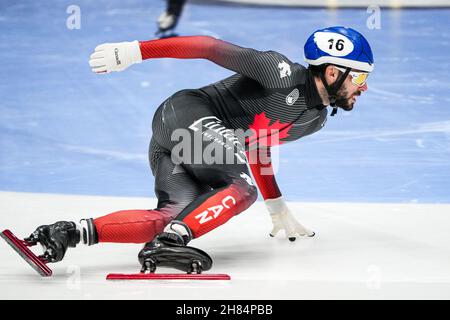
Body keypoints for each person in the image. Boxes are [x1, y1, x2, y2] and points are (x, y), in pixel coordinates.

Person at [25, 26, 374, 273]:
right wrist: (137, 51)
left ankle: (65, 232)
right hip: (187, 114)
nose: (365, 87)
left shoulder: (314, 120)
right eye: (359, 77)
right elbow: (208, 47)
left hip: (182, 142)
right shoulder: (280, 72)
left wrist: (276, 204)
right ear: (332, 72)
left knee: (169, 217)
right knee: (239, 188)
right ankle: (172, 243)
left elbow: (256, 146)